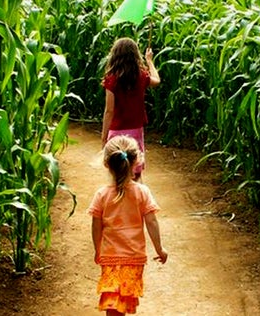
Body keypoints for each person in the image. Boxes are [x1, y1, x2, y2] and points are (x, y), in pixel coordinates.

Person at [88, 135, 168, 316]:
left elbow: (96, 225)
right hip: (133, 257)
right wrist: (159, 248)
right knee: (121, 303)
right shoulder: (142, 192)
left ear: (106, 164)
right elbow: (151, 222)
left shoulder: (102, 195)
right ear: (136, 162)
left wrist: (97, 249)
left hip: (110, 257)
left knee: (113, 303)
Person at [101, 37, 160, 182]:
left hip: (116, 130)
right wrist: (149, 60)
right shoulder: (141, 76)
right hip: (135, 130)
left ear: (115, 55)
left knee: (117, 171)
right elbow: (156, 80)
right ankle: (137, 198)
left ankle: (118, 200)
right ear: (135, 55)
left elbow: (109, 111)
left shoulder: (111, 79)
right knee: (135, 169)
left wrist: (104, 137)